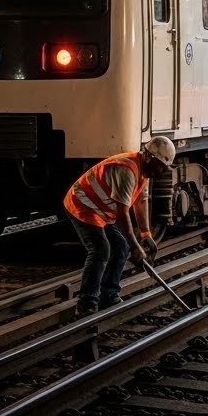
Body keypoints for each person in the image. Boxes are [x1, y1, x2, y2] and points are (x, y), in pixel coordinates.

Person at [63, 135, 174, 315]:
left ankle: (109, 294)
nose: (161, 171)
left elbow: (140, 202)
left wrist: (146, 233)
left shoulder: (145, 171)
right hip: (83, 204)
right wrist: (136, 246)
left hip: (102, 209)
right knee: (100, 250)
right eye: (160, 166)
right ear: (148, 157)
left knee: (121, 247)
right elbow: (123, 214)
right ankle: (86, 302)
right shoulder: (127, 169)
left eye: (164, 168)